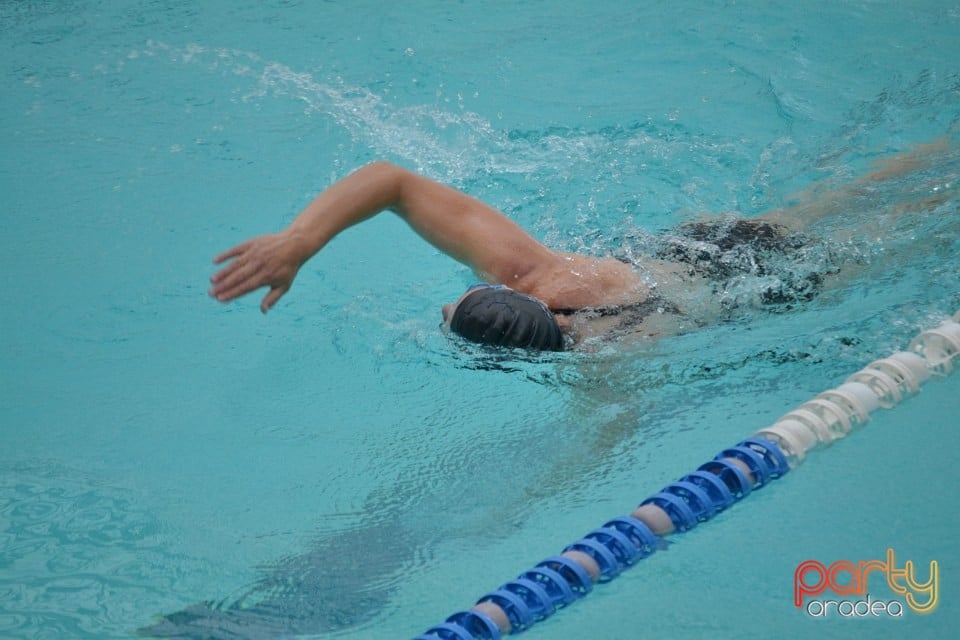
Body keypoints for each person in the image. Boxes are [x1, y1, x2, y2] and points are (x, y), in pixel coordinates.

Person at [209, 143, 949, 350]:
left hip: (756, 289)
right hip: (703, 245)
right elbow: (393, 182)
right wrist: (299, 241)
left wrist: (303, 239)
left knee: (889, 237)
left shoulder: (605, 356)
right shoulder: (536, 269)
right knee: (847, 200)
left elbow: (599, 455)